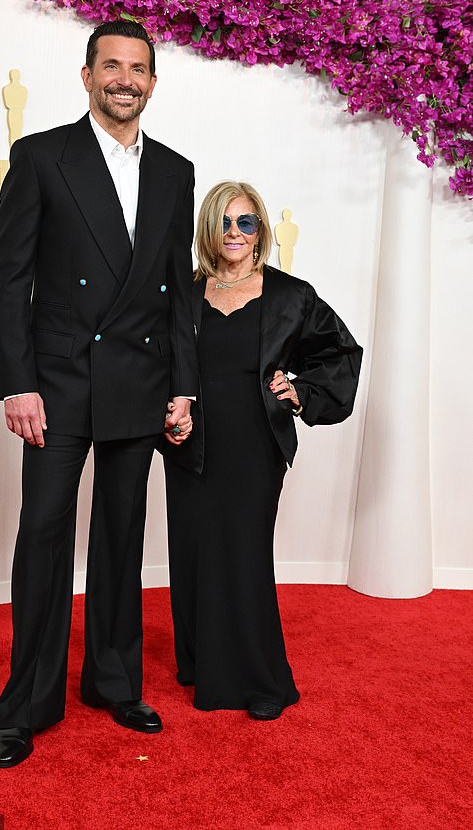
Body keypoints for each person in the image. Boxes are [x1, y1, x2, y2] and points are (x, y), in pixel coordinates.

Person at [0, 20, 197, 768]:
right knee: (43, 536)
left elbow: (177, 293)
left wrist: (184, 389)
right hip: (59, 385)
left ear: (151, 81)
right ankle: (27, 704)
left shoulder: (175, 170)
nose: (125, 79)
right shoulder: (42, 156)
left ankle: (114, 681)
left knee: (120, 539)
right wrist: (16, 381)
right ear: (86, 76)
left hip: (139, 384)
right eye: (111, 65)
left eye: (138, 68)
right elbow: (10, 280)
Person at [163, 181, 362, 721]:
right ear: (209, 229)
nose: (235, 232)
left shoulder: (289, 295)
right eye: (225, 222)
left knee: (245, 554)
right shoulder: (184, 291)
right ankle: (202, 664)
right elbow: (157, 362)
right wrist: (168, 412)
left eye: (245, 222)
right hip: (192, 444)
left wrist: (301, 392)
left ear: (260, 231)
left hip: (256, 444)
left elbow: (341, 351)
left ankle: (260, 679)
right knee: (195, 551)